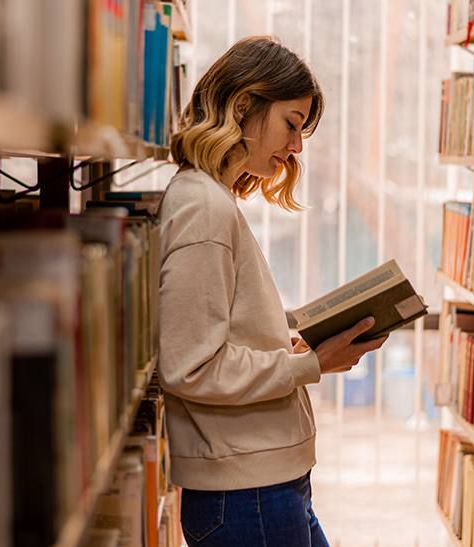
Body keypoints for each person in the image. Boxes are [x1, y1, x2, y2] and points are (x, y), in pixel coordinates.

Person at [157, 35, 388, 547]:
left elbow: (215, 336)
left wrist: (285, 348)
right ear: (243, 107)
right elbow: (192, 365)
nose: (298, 146)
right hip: (248, 495)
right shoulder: (204, 208)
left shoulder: (211, 199)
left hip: (266, 487)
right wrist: (311, 364)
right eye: (291, 122)